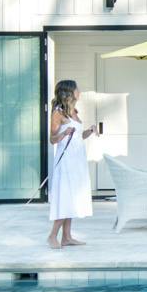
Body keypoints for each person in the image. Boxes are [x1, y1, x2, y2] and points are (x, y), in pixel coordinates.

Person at [47, 79, 91, 248]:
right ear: (69, 93)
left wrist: (90, 131)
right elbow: (52, 139)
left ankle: (67, 236)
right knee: (66, 197)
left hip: (77, 160)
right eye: (77, 89)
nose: (79, 91)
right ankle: (52, 236)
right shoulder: (58, 113)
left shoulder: (73, 112)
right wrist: (64, 133)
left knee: (72, 198)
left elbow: (79, 136)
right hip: (65, 162)